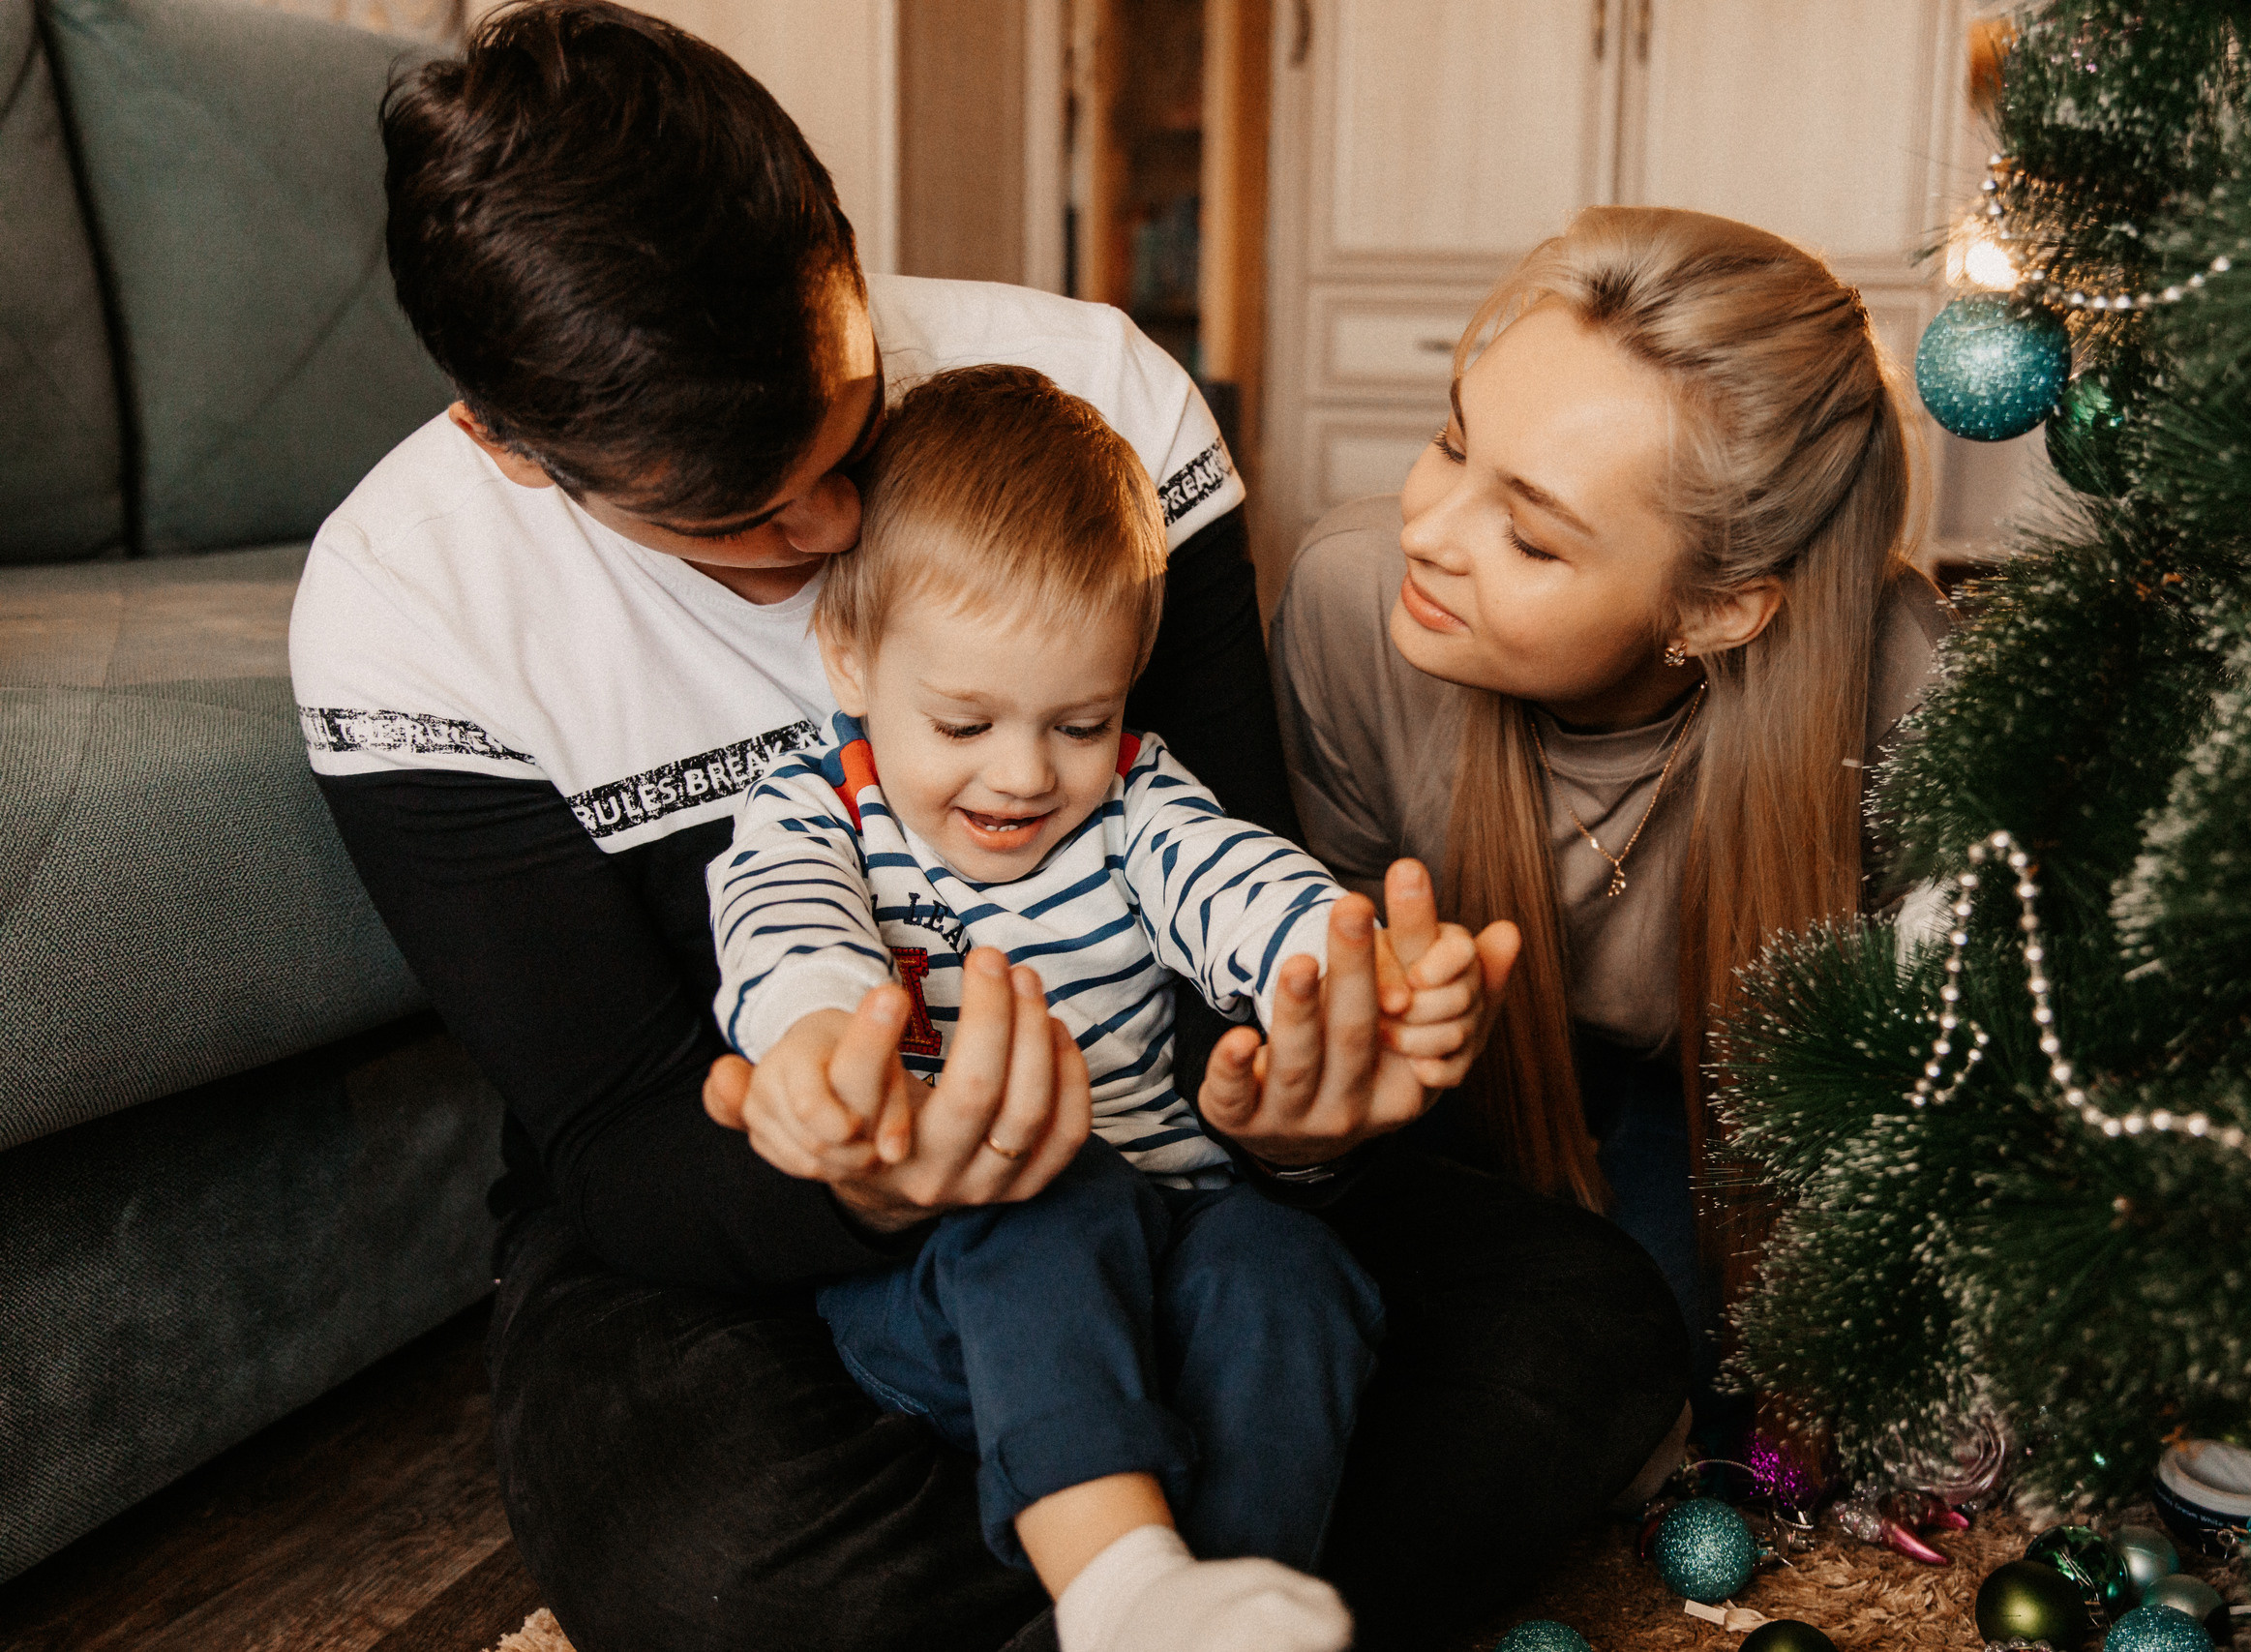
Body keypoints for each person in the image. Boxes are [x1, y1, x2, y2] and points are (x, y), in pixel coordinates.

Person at [291, 6, 1687, 1648]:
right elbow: (622, 1129)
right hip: (741, 1222)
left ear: (841, 251)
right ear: (509, 447)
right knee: (723, 1568)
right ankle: (1171, 1577)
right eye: (736, 514)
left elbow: (1212, 870)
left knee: (1584, 1326)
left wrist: (1310, 1074)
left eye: (851, 421)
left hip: (1169, 1160)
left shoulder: (1100, 407)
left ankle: (1160, 1584)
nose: (833, 527)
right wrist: (865, 1169)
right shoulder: (411, 608)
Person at [710, 365, 1508, 1652]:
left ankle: (1218, 1608)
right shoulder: (818, 814)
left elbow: (1235, 883)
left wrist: (1351, 965)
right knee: (1051, 1184)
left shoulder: (1135, 800)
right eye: (963, 722)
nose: (1024, 774)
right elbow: (786, 928)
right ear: (850, 658)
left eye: (1080, 722)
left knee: (1289, 1262)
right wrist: (818, 1042)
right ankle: (1120, 1578)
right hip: (952, 1274)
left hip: (1165, 1242)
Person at [1271, 206, 1956, 1389]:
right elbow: (1330, 975)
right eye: (1450, 444)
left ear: (1717, 610)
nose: (1425, 531)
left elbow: (1919, 1102)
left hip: (1727, 1104)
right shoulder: (1350, 598)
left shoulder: (1910, 692)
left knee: (1696, 1361)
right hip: (1467, 1069)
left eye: (1531, 540)